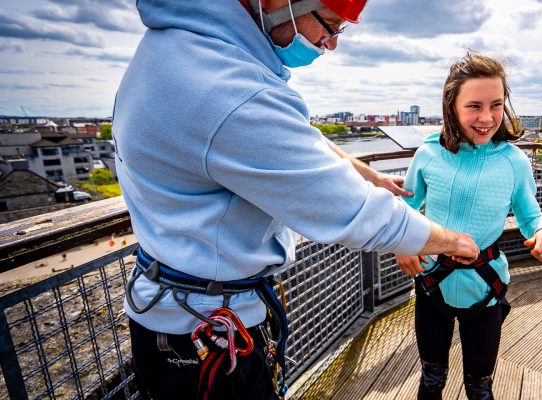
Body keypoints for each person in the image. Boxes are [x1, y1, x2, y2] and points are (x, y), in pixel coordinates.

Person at [113, 1, 479, 399]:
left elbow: (292, 137)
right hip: (205, 333)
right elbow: (356, 214)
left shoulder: (185, 53)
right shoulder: (227, 90)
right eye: (331, 25)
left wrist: (370, 175)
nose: (331, 44)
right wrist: (455, 241)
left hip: (180, 311)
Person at [396, 53, 542, 400]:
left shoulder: (514, 162)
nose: (486, 118)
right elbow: (405, 209)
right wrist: (403, 244)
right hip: (432, 283)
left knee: (480, 387)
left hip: (485, 289)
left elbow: (532, 216)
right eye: (474, 106)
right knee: (431, 379)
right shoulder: (428, 153)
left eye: (496, 105)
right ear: (451, 106)